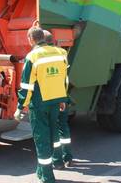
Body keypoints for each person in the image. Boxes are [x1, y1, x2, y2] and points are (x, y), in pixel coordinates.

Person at [14, 27, 68, 183]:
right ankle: (41, 171)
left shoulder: (32, 56)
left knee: (41, 139)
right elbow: (63, 78)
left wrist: (20, 107)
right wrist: (63, 99)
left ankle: (47, 177)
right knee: (52, 135)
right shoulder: (60, 53)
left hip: (39, 103)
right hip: (56, 101)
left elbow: (27, 86)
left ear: (31, 39)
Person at [43, 30, 73, 169]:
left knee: (53, 130)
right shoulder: (62, 53)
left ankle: (57, 161)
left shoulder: (39, 55)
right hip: (63, 95)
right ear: (53, 41)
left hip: (50, 98)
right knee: (63, 127)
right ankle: (68, 157)